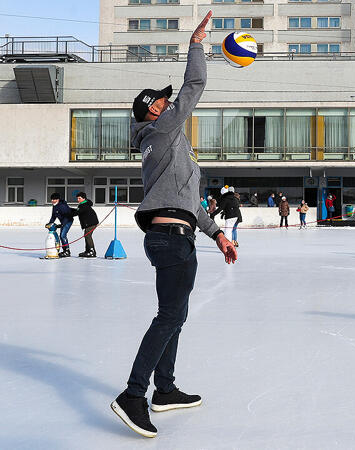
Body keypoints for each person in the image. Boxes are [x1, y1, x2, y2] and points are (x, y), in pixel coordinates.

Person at [112, 12, 237, 439]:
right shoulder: (161, 131)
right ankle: (134, 395)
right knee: (169, 316)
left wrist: (218, 235)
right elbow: (194, 88)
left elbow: (190, 204)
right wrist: (197, 44)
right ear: (153, 110)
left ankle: (164, 391)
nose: (171, 103)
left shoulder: (170, 148)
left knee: (176, 316)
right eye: (163, 101)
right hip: (169, 239)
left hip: (177, 236)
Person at [46, 192, 74, 258]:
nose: (52, 201)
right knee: (61, 235)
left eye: (54, 199)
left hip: (68, 221)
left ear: (58, 199)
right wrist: (50, 223)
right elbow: (53, 216)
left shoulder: (62, 206)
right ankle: (65, 250)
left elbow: (67, 216)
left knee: (62, 235)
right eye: (52, 199)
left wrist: (62, 224)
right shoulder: (55, 206)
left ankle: (67, 251)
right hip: (63, 221)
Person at [72, 192, 99, 258]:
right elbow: (77, 211)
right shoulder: (83, 204)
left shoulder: (84, 205)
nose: (78, 200)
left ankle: (92, 251)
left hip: (91, 223)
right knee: (86, 235)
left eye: (79, 198)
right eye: (77, 198)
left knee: (87, 236)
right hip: (89, 223)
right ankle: (88, 250)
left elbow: (77, 212)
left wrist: (68, 213)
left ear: (84, 198)